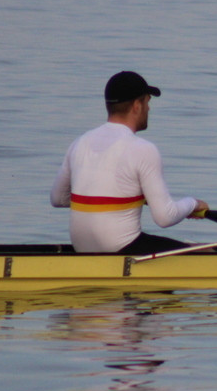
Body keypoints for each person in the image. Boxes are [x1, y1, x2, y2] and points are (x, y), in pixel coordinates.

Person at [51, 71, 208, 254]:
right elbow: (165, 217)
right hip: (121, 247)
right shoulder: (143, 149)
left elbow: (58, 199)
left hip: (82, 247)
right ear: (136, 106)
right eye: (148, 102)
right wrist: (193, 204)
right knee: (206, 253)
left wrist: (127, 196)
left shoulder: (79, 142)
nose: (149, 109)